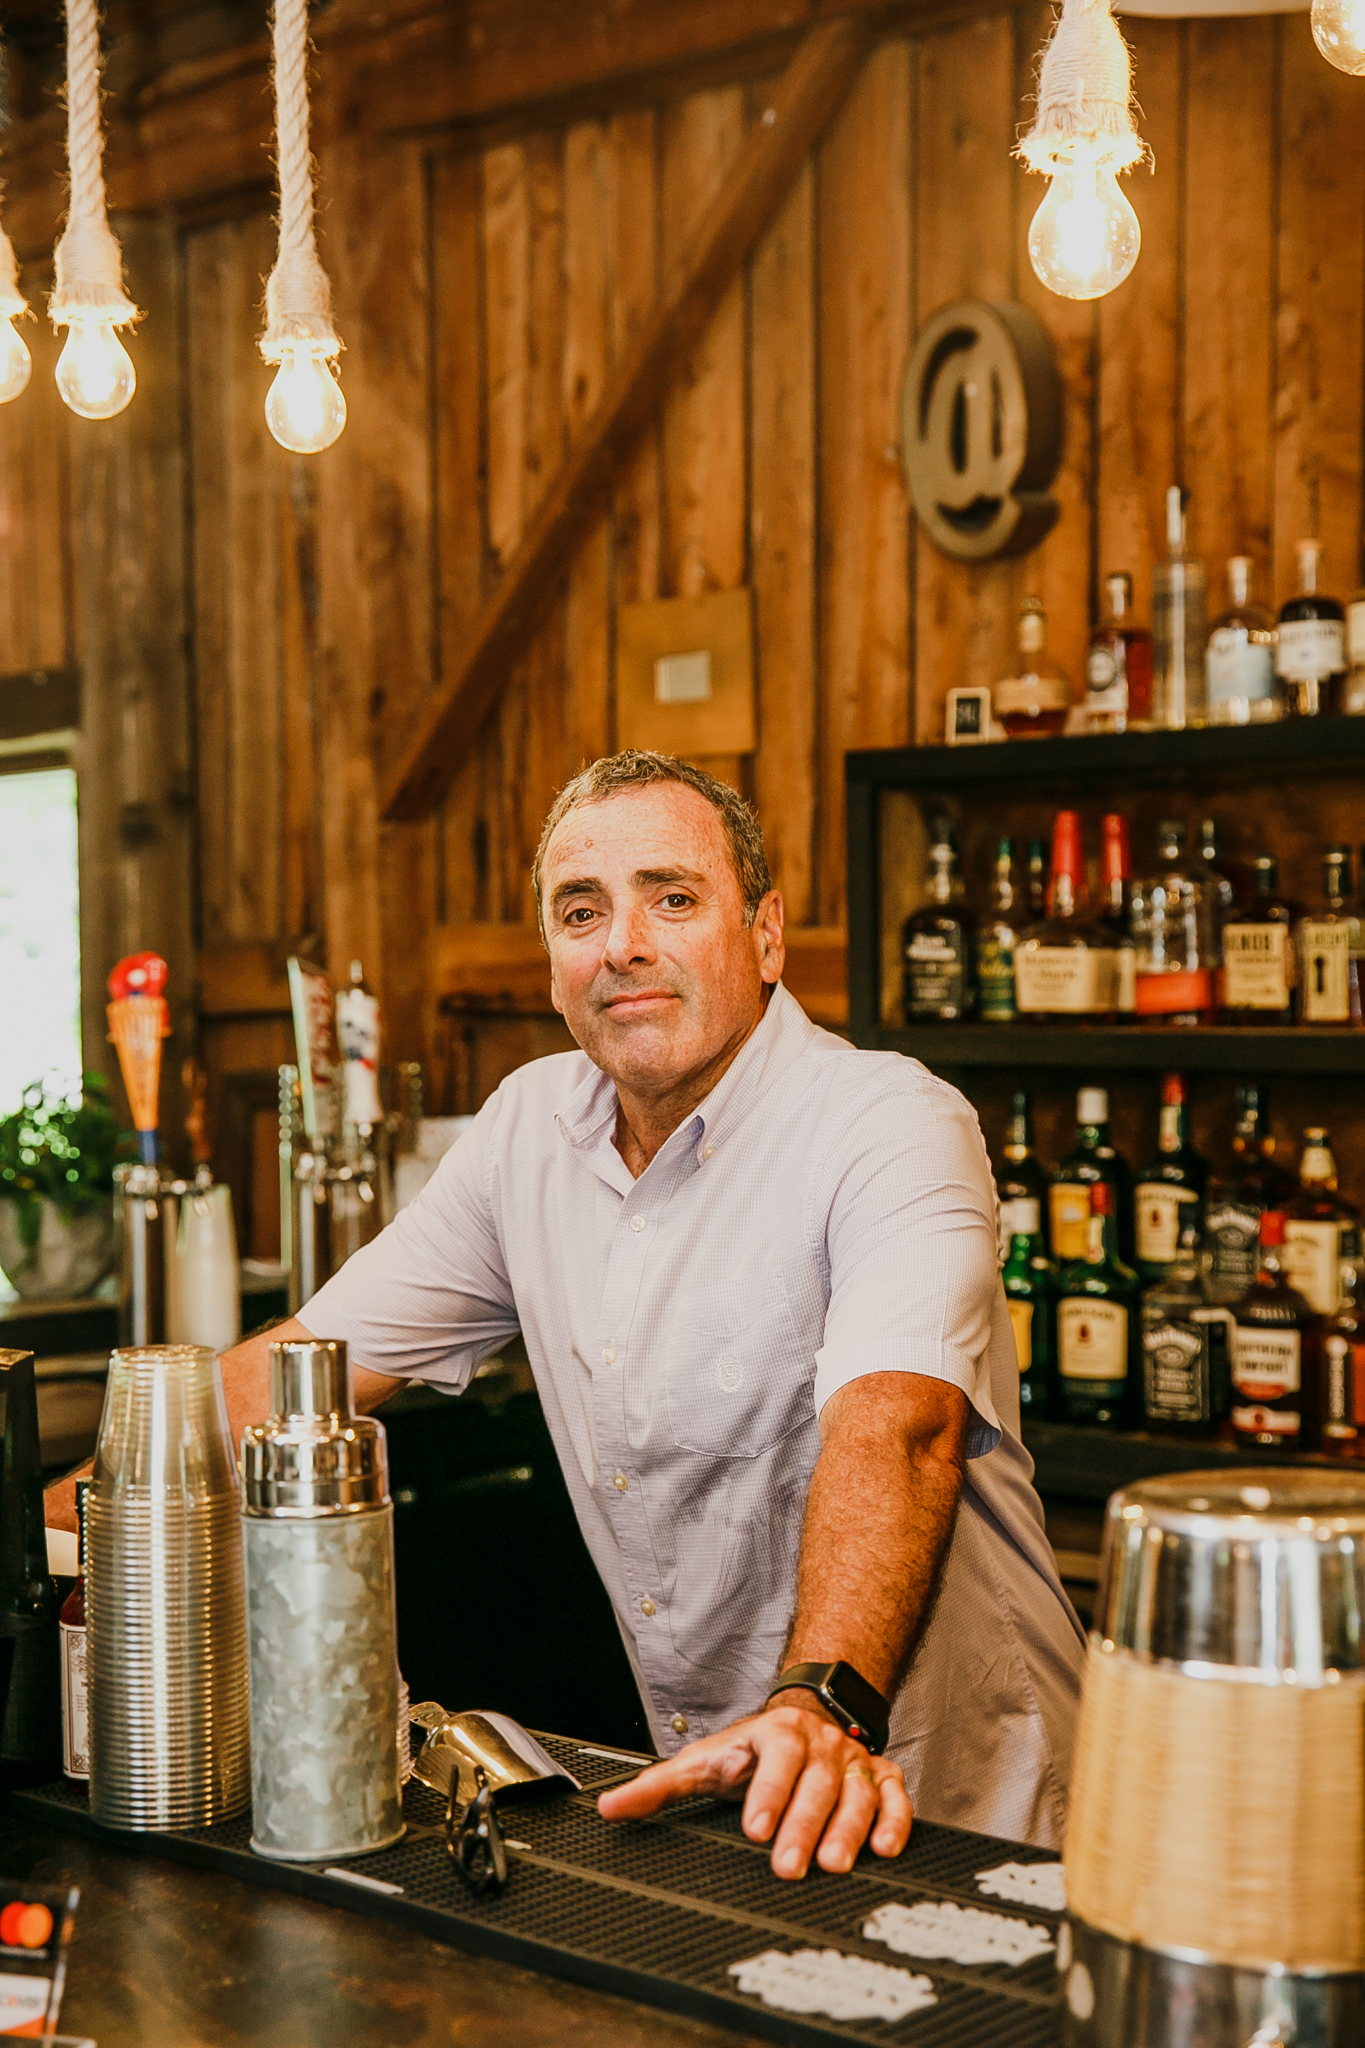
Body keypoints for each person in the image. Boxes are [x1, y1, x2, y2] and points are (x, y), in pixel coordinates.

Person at [50, 750, 1084, 1878]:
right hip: (715, 1791)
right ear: (552, 959)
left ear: (767, 934)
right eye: (581, 910)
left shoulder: (891, 1121)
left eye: (672, 898)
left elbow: (903, 1426)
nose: (623, 942)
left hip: (955, 1795)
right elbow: (306, 1367)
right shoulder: (527, 1130)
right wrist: (51, 1520)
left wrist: (822, 1700)